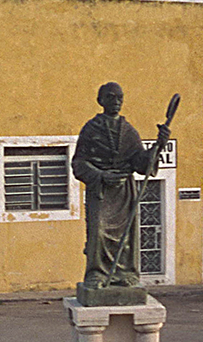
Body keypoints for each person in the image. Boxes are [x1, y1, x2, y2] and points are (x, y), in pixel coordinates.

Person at [72, 82, 170, 289]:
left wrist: (158, 146)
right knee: (98, 232)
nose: (115, 102)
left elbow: (141, 163)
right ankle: (97, 274)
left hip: (125, 191)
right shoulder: (90, 129)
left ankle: (124, 272)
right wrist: (100, 175)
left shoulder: (128, 131)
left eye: (119, 98)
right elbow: (78, 163)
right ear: (100, 101)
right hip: (101, 191)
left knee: (127, 235)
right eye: (110, 97)